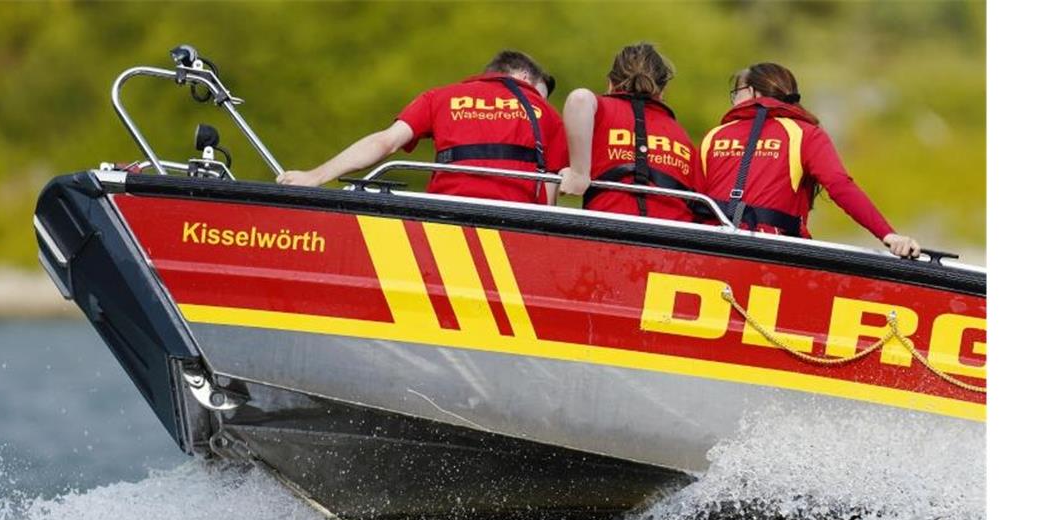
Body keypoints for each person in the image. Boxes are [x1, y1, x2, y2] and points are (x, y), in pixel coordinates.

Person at [277, 51, 567, 205]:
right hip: (513, 226)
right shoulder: (547, 113)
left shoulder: (439, 97)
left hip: (442, 217)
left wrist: (314, 176)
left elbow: (385, 143)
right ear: (523, 75)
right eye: (537, 91)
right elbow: (549, 193)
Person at [699, 62, 921, 258]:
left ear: (752, 92)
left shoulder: (714, 136)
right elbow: (840, 186)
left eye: (735, 92)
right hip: (774, 251)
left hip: (710, 247)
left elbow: (694, 201)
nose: (733, 100)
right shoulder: (806, 134)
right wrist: (887, 234)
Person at [558, 43, 699, 220]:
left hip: (610, 230)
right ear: (663, 91)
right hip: (673, 239)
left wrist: (579, 174)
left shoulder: (599, 114)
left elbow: (580, 98)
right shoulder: (682, 135)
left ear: (610, 83)